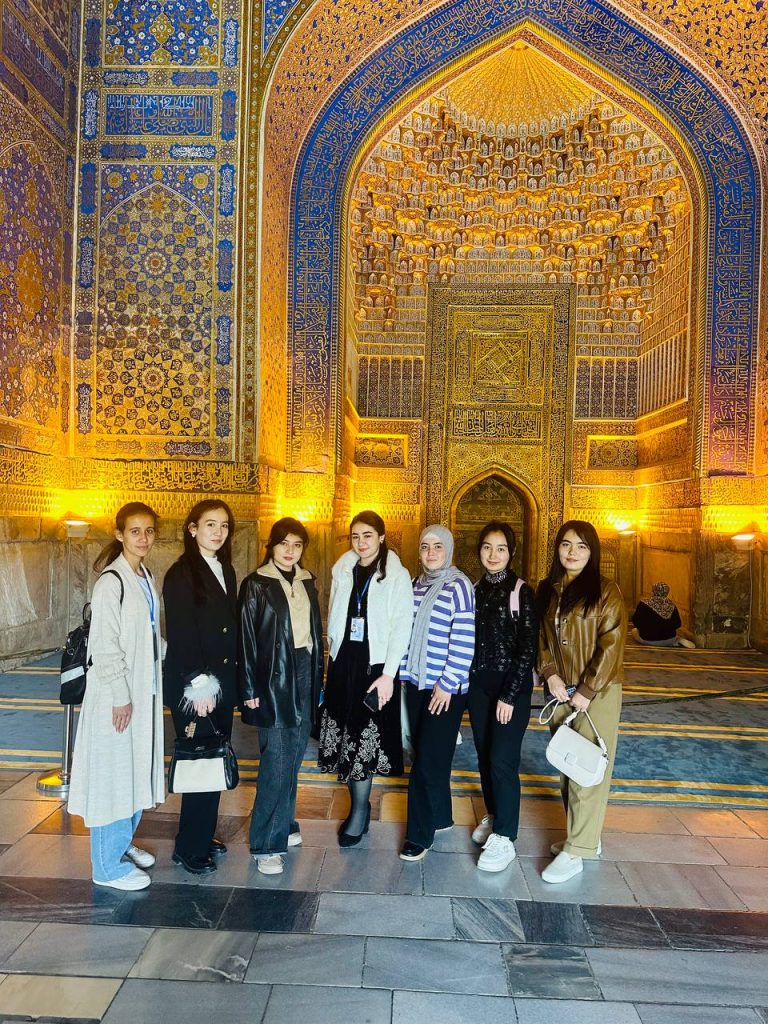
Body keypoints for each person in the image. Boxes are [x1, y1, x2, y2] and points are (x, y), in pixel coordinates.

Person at [68, 502, 164, 891]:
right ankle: (105, 866)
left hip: (143, 690)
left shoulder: (144, 575)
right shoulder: (112, 582)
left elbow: (148, 634)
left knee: (135, 771)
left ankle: (120, 844)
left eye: (149, 531)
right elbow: (105, 646)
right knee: (113, 776)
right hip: (116, 697)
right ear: (120, 534)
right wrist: (121, 696)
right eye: (135, 531)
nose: (143, 538)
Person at [536, 520, 627, 883]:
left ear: (593, 552)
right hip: (560, 689)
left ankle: (578, 849)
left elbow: (612, 645)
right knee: (569, 763)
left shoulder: (606, 591)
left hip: (597, 692)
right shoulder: (549, 589)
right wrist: (550, 674)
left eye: (581, 546)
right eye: (566, 545)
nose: (571, 552)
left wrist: (586, 692)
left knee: (590, 768)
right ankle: (583, 836)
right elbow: (541, 639)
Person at [318, 510, 413, 846]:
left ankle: (359, 811)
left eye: (368, 536)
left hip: (375, 668)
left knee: (363, 740)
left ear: (382, 537)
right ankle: (360, 803)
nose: (361, 543)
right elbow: (335, 613)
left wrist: (389, 675)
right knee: (344, 737)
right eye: (356, 536)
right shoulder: (343, 568)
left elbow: (403, 626)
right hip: (344, 663)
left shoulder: (396, 575)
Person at [239, 517, 323, 875]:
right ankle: (265, 844)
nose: (290, 552)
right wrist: (249, 689)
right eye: (284, 544)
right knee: (276, 758)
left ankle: (285, 824)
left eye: (297, 545)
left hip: (305, 671)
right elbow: (245, 640)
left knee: (295, 752)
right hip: (272, 677)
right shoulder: (257, 584)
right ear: (271, 546)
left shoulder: (307, 581)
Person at [163, 499, 238, 875]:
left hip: (221, 685)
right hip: (197, 687)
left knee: (213, 758)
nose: (218, 532)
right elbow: (181, 633)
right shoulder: (181, 574)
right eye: (210, 525)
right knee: (199, 764)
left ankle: (202, 834)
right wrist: (201, 684)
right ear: (192, 528)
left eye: (223, 526)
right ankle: (188, 849)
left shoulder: (224, 567)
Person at [399, 525, 475, 862]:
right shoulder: (414, 586)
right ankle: (441, 817)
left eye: (438, 547)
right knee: (428, 755)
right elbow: (406, 633)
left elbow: (463, 639)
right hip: (415, 683)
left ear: (449, 550)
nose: (431, 553)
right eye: (426, 546)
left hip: (445, 689)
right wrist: (401, 676)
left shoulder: (459, 586)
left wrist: (447, 683)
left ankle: (419, 835)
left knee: (426, 763)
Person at [468, 521, 538, 872]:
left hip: (511, 691)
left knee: (502, 759)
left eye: (500, 548)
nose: (492, 555)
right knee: (484, 756)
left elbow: (528, 649)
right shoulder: (475, 589)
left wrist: (509, 695)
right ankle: (495, 816)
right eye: (486, 547)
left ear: (511, 553)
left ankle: (506, 836)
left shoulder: (522, 591)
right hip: (479, 688)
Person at [631, 582, 695, 648]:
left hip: (647, 639)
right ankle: (676, 641)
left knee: (634, 631)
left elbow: (635, 621)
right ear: (667, 592)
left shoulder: (643, 603)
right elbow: (678, 624)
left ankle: (671, 642)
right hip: (669, 640)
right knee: (672, 637)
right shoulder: (671, 605)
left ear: (653, 590)